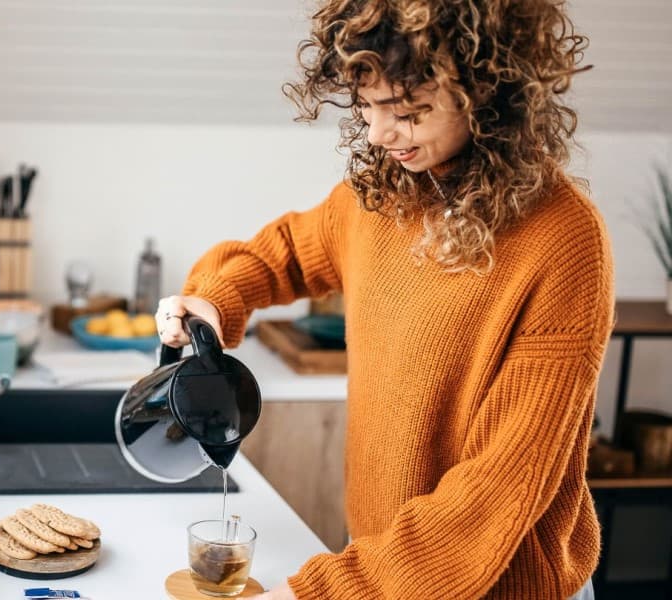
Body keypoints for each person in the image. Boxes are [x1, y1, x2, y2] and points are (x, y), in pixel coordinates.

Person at [157, 1, 607, 598]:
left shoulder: (563, 240)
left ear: (486, 91)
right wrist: (217, 298)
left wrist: (322, 591)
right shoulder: (383, 195)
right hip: (390, 570)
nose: (376, 133)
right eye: (365, 106)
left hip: (501, 583)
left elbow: (499, 488)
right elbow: (284, 251)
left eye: (405, 111)